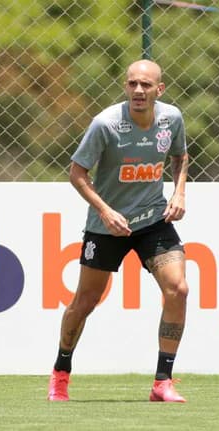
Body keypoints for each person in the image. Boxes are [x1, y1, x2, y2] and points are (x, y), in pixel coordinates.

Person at [48, 59, 190, 403]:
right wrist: (105, 210)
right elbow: (77, 173)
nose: (138, 91)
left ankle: (162, 382)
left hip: (153, 221)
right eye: (132, 84)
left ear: (160, 89)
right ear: (126, 87)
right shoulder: (106, 124)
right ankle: (60, 375)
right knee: (85, 302)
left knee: (179, 289)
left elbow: (181, 156)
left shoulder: (171, 119)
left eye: (145, 85)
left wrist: (179, 192)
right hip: (107, 226)